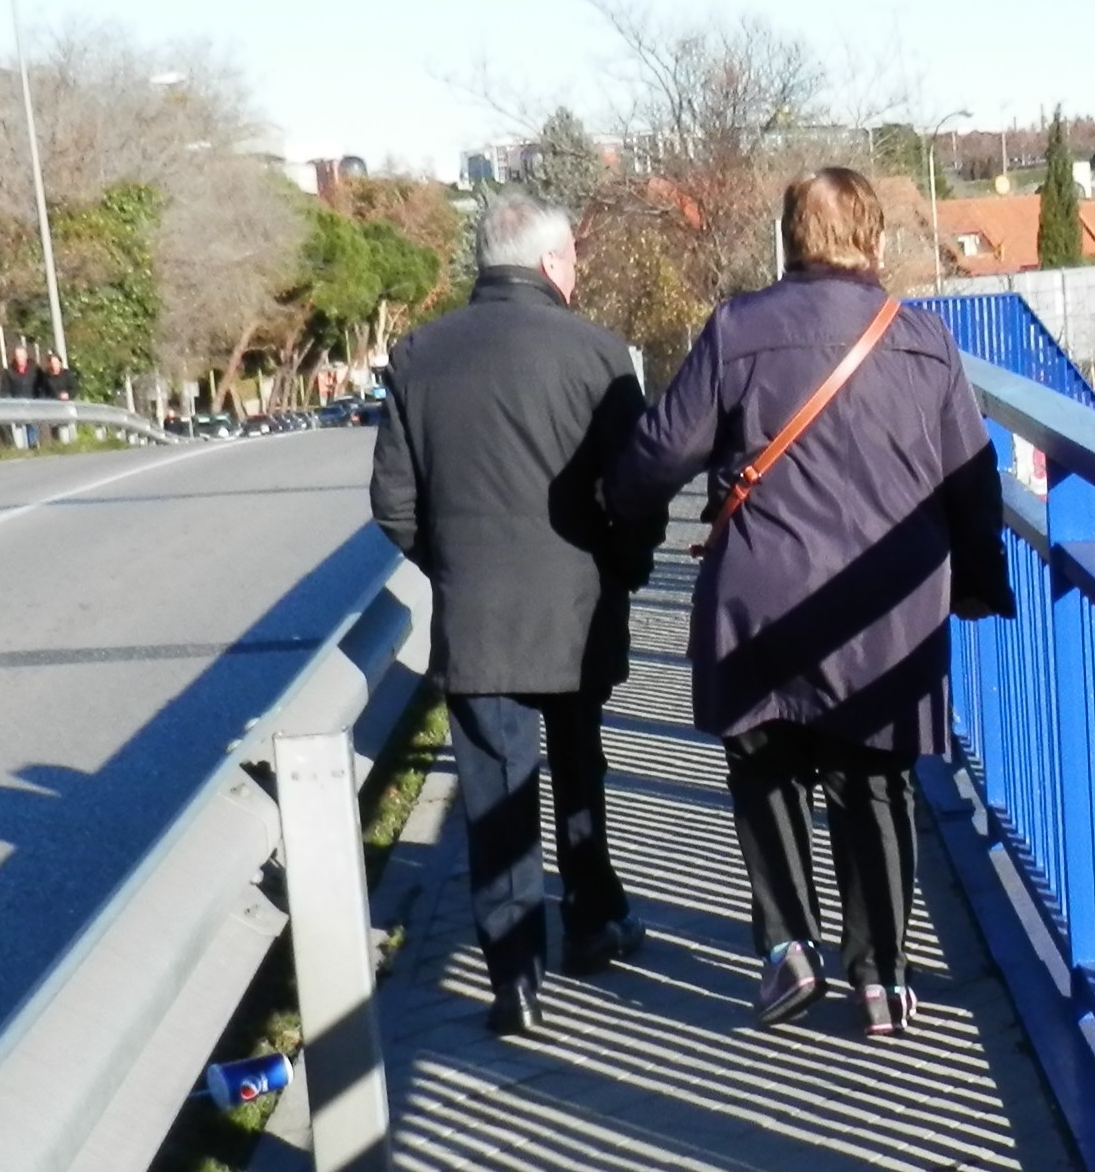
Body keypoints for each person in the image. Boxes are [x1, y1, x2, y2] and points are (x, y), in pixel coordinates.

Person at [609, 166, 1013, 1038]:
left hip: (761, 598)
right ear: (873, 239)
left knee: (766, 767)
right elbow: (973, 484)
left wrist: (612, 514)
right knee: (875, 782)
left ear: (790, 239)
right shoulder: (925, 341)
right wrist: (976, 586)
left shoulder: (737, 329)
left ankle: (789, 947)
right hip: (885, 613)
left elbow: (657, 455)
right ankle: (882, 980)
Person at [371, 198, 658, 1035]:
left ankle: (515, 978)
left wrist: (450, 567)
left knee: (493, 789)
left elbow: (392, 503)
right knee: (579, 770)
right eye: (573, 257)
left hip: (479, 613)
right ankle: (595, 921)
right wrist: (626, 568)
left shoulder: (420, 354)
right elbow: (636, 488)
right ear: (550, 263)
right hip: (577, 606)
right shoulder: (599, 354)